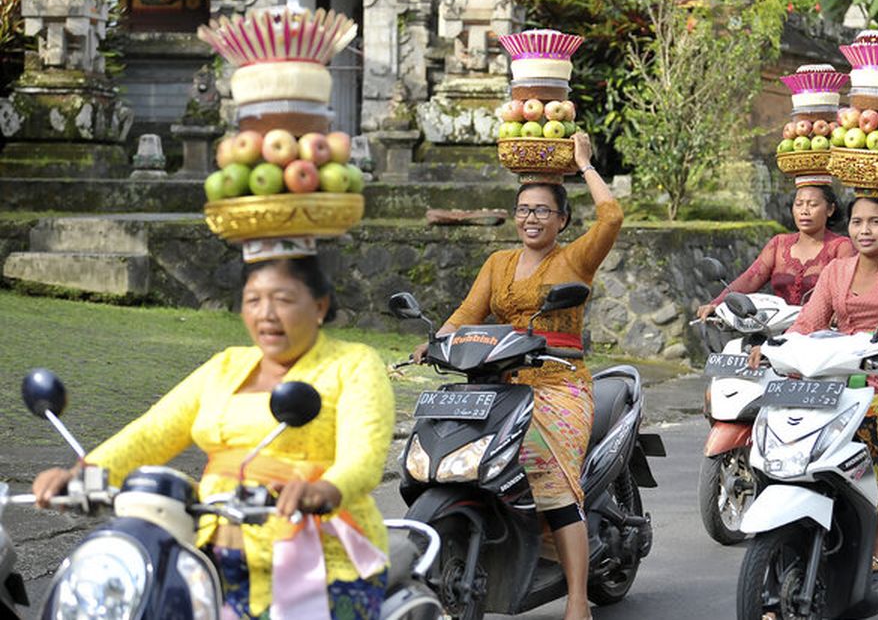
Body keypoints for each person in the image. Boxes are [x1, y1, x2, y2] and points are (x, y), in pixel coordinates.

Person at [33, 256, 396, 619]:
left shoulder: (354, 364)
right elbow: (153, 431)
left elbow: (363, 456)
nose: (266, 313)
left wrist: (325, 490)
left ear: (320, 305)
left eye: (282, 299)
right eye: (253, 300)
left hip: (322, 563)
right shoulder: (226, 365)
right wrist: (84, 472)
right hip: (210, 554)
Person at [412, 130, 619, 620]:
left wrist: (585, 164)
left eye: (542, 210)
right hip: (503, 383)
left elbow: (611, 216)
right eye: (524, 209)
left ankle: (574, 600)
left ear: (562, 219)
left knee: (545, 470)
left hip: (560, 384)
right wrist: (438, 342)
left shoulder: (574, 259)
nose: (531, 218)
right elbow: (467, 313)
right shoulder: (498, 262)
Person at [749, 152, 878, 571]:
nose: (865, 230)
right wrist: (775, 349)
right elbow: (807, 323)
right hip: (839, 388)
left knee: (857, 436)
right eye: (857, 222)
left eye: (875, 222)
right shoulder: (837, 271)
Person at [696, 183, 853, 319]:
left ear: (830, 209)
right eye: (799, 204)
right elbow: (750, 278)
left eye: (812, 205)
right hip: (775, 330)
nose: (804, 211)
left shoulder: (841, 247)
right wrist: (717, 303)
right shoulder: (779, 244)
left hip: (821, 334)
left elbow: (846, 292)